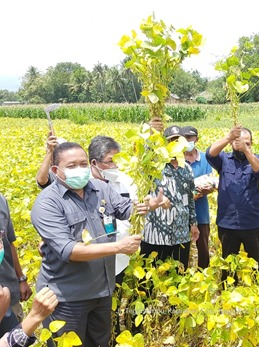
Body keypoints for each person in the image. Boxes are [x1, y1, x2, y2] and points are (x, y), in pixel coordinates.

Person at [30, 141, 159, 347]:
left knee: (99, 343)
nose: (79, 170)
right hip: (66, 297)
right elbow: (69, 250)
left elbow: (125, 210)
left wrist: (147, 205)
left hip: (101, 291)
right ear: (56, 170)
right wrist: (118, 247)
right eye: (71, 166)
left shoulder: (100, 188)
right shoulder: (47, 203)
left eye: (83, 164)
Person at [206, 125, 259, 274]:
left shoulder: (257, 158)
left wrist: (246, 151)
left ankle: (257, 292)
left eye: (247, 143)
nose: (242, 145)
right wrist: (229, 137)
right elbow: (210, 154)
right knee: (228, 265)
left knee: (257, 264)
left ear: (251, 144)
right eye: (239, 141)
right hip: (228, 222)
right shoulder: (224, 160)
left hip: (252, 222)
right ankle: (227, 292)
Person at [142, 125, 199, 271]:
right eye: (171, 141)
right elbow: (143, 154)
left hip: (181, 234)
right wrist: (151, 132)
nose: (175, 145)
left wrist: (193, 223)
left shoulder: (186, 168)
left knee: (179, 278)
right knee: (150, 279)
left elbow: (190, 198)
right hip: (156, 234)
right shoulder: (153, 166)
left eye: (178, 141)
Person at [88, 135, 138, 284]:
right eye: (110, 161)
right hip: (92, 258)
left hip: (121, 255)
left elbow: (133, 209)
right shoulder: (83, 186)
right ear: (94, 162)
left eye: (117, 160)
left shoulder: (126, 181)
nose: (114, 166)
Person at [182, 126, 215, 269]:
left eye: (191, 138)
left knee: (203, 246)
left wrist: (207, 190)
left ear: (197, 139)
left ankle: (203, 275)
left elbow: (211, 182)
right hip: (182, 211)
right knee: (182, 247)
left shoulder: (205, 159)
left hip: (201, 211)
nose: (188, 141)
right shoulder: (176, 159)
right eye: (185, 138)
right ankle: (181, 274)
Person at [0, 195, 32, 337]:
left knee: (15, 339)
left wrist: (21, 278)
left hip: (9, 290)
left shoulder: (1, 200)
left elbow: (9, 242)